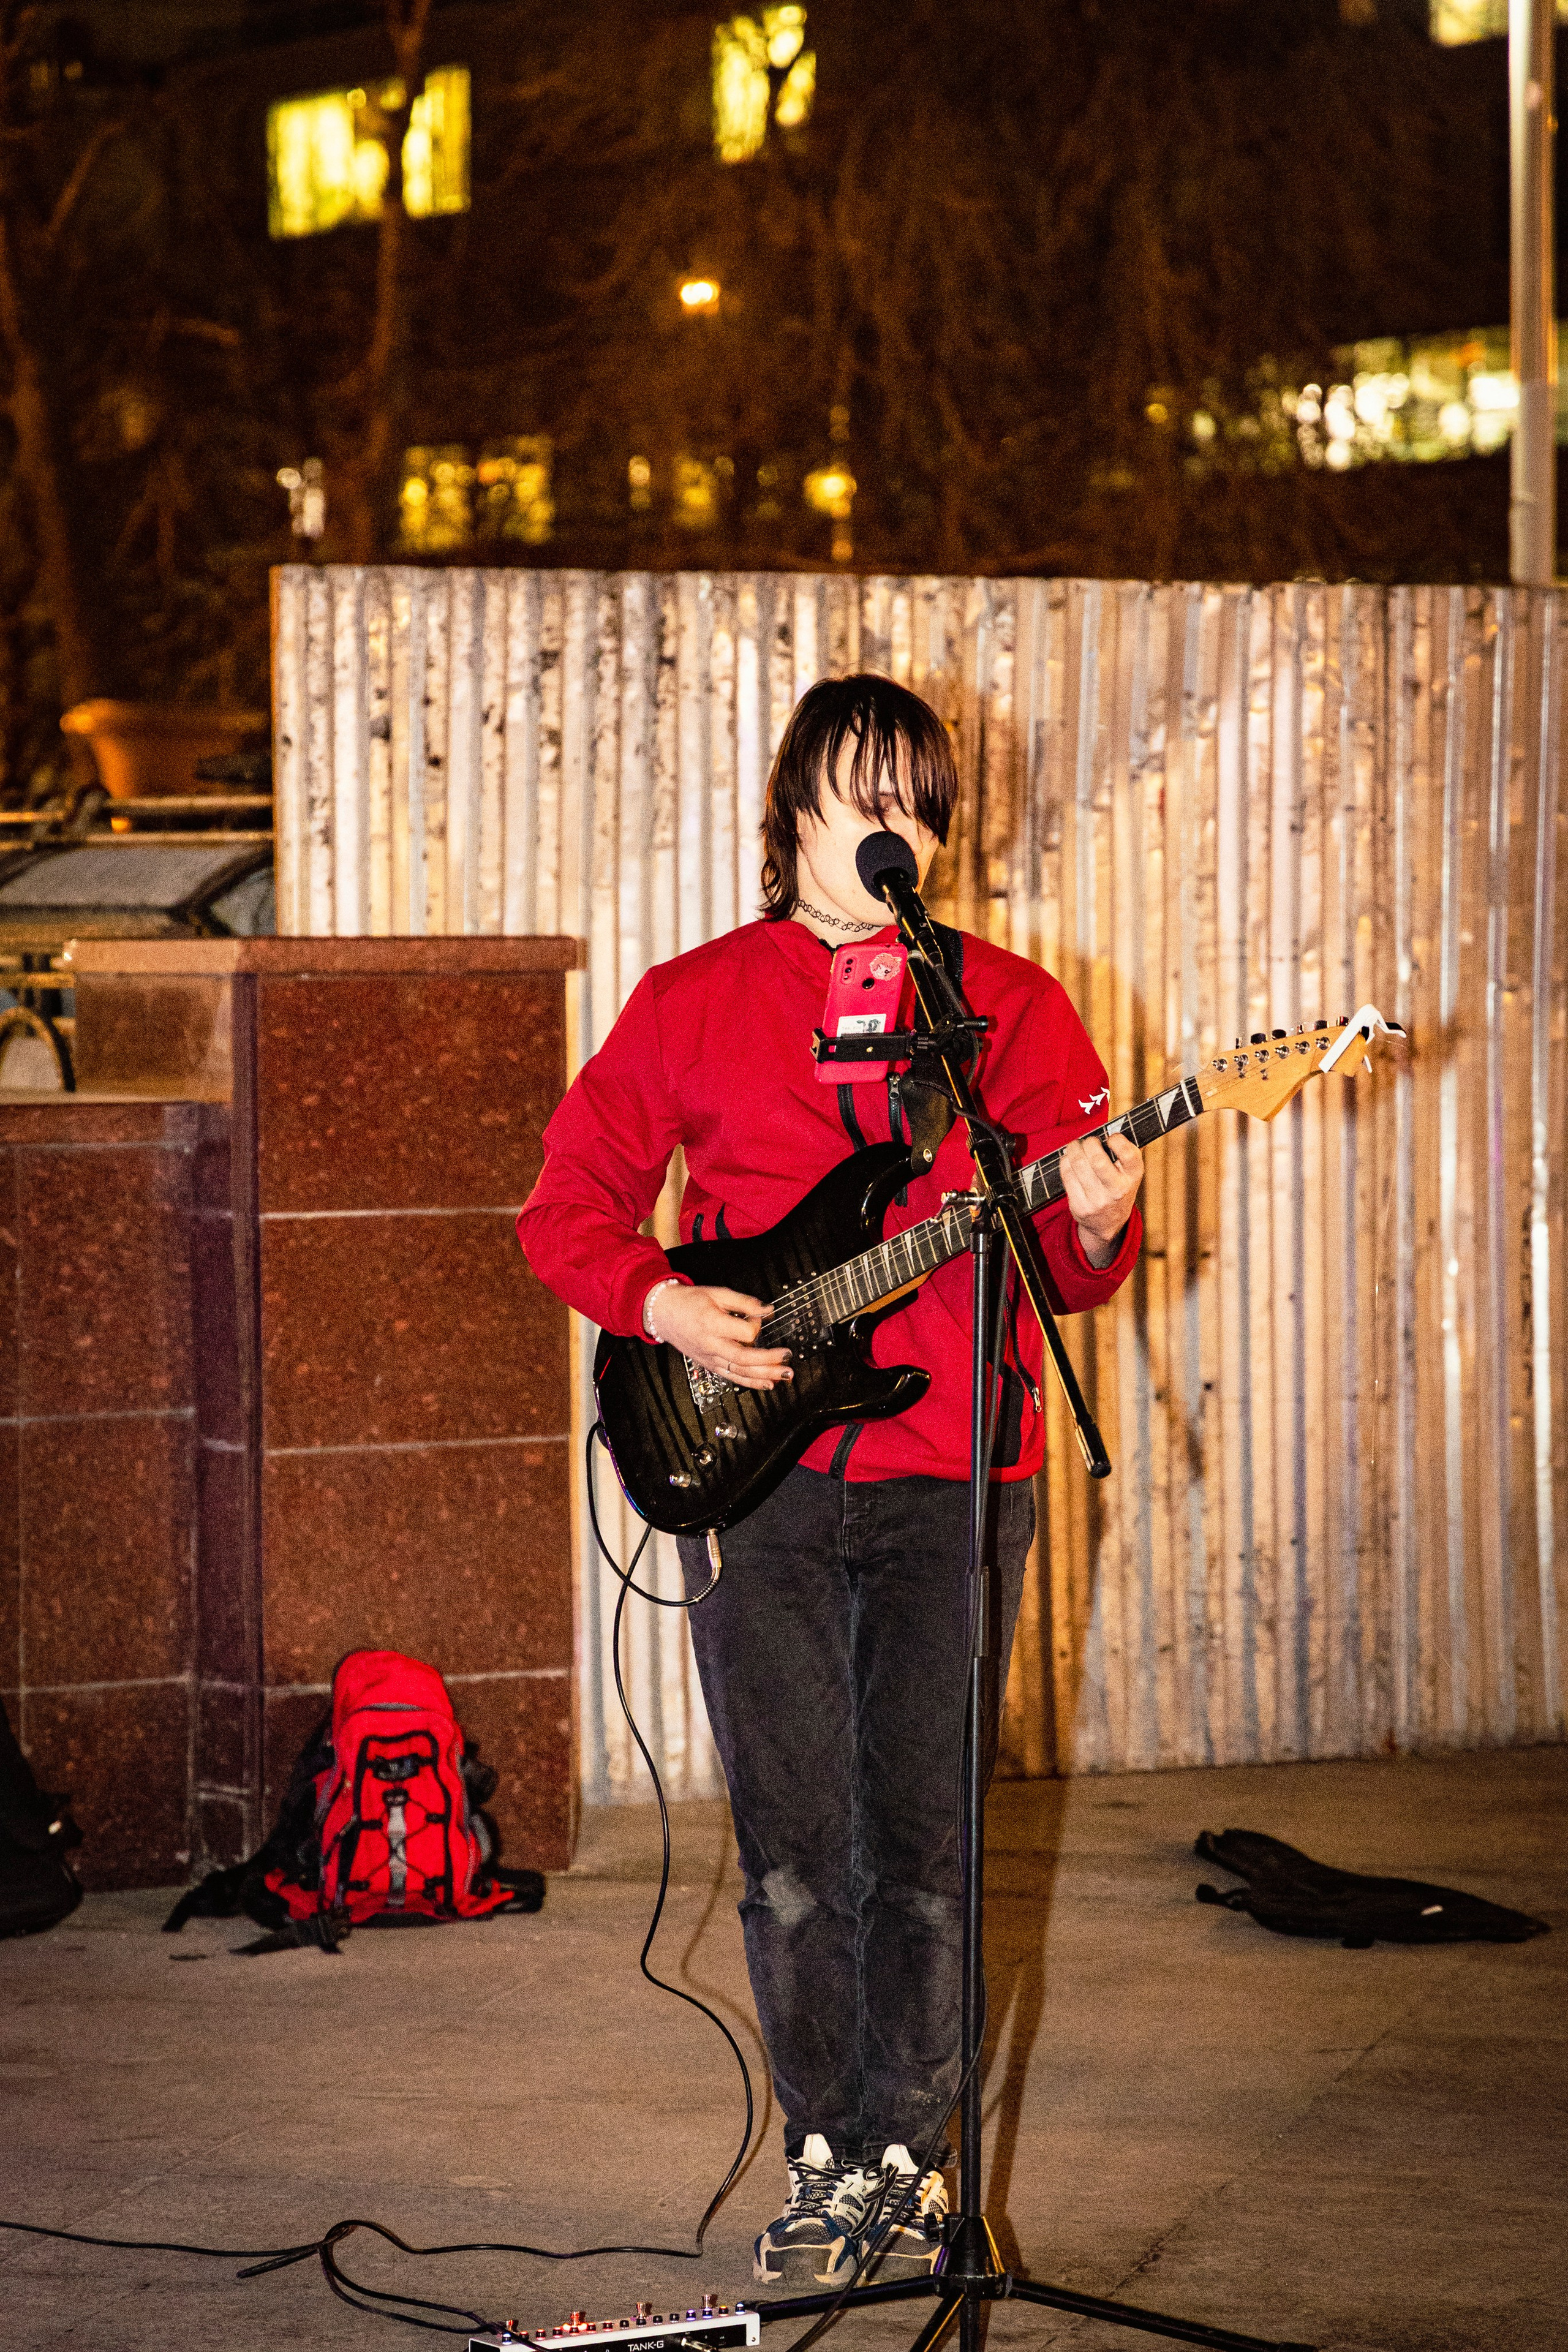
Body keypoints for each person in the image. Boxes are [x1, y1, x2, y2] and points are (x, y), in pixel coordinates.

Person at [516, 676, 1143, 2291]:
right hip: (753, 1485)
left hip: (955, 1478)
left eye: (923, 802)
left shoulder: (1006, 1010)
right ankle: (827, 2148)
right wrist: (654, 1299)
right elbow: (563, 1205)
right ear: (791, 805)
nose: (895, 824)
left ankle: (917, 2167)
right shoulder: (693, 1000)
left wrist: (1088, 1214)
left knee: (925, 1840)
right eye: (864, 790)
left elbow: (1070, 1279)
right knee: (798, 1841)